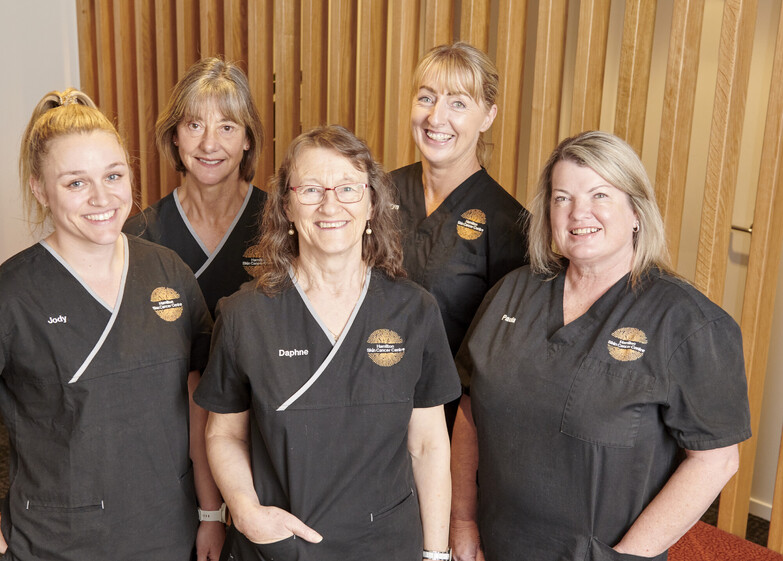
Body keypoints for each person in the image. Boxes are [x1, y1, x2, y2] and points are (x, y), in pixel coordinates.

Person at [0, 89, 224, 561]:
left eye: (113, 175)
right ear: (39, 188)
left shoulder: (168, 271)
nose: (102, 197)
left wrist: (209, 513)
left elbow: (197, 400)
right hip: (62, 542)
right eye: (75, 183)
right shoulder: (2, 299)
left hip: (168, 525)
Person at [450, 131, 751, 561]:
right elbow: (468, 409)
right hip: (495, 544)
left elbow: (716, 461)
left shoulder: (687, 322)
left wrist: (627, 556)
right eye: (562, 198)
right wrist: (462, 520)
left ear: (636, 211)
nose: (578, 213)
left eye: (600, 195)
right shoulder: (512, 293)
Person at [194, 125, 460, 561]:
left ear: (372, 202)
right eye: (312, 189)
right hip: (279, 547)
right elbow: (223, 433)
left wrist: (436, 556)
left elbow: (428, 445)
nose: (330, 204)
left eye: (349, 188)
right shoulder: (245, 315)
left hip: (385, 547)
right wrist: (244, 511)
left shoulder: (414, 311)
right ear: (287, 206)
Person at [391, 42, 528, 430]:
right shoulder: (375, 192)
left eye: (458, 103)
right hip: (363, 407)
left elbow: (503, 359)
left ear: (488, 116)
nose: (436, 117)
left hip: (449, 425)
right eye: (426, 98)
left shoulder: (510, 226)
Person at [124, 56, 266, 317]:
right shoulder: (140, 234)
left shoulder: (281, 221)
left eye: (226, 127)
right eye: (195, 125)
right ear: (175, 135)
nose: (209, 145)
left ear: (248, 138)